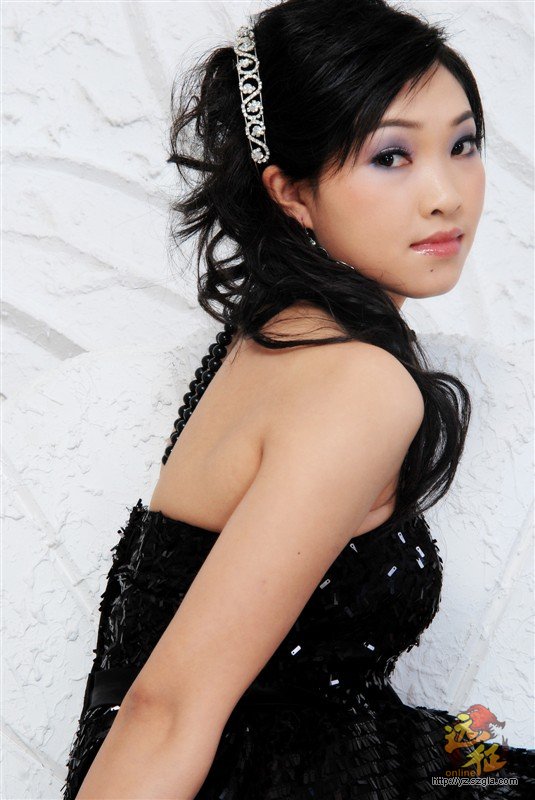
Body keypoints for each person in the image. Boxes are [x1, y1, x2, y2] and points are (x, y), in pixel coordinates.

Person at [61, 0, 535, 798]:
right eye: (390, 156)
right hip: (276, 779)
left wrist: (485, 750)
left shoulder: (275, 333)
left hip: (352, 742)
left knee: (494, 752)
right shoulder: (359, 384)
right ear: (291, 192)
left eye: (461, 145)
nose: (445, 195)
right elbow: (163, 708)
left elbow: (299, 688)